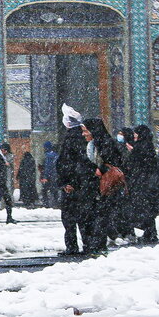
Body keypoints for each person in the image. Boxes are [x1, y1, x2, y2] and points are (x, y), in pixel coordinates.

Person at [56, 106, 100, 256]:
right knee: (85, 218)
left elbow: (68, 163)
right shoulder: (83, 138)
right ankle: (88, 245)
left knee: (69, 219)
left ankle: (72, 246)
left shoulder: (70, 139)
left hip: (73, 186)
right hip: (85, 184)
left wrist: (67, 183)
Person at [124, 124, 159, 244]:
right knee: (146, 208)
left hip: (141, 183)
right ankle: (150, 231)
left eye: (136, 133)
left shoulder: (142, 146)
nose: (134, 135)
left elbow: (139, 162)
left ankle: (149, 232)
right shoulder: (147, 145)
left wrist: (134, 151)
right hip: (144, 182)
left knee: (143, 207)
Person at [41, 141, 59, 207]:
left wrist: (45, 177)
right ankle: (56, 203)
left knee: (45, 190)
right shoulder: (56, 155)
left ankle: (46, 204)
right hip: (55, 175)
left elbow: (47, 167)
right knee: (54, 190)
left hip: (50, 176)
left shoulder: (48, 156)